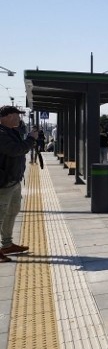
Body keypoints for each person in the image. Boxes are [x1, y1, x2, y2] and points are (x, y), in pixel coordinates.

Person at [0, 105, 37, 262]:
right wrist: (31, 139)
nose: (19, 119)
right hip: (3, 182)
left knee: (13, 210)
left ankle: (7, 244)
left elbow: (20, 140)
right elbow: (16, 150)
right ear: (7, 117)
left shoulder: (10, 131)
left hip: (13, 180)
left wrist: (27, 135)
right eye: (16, 116)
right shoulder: (1, 134)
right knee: (0, 214)